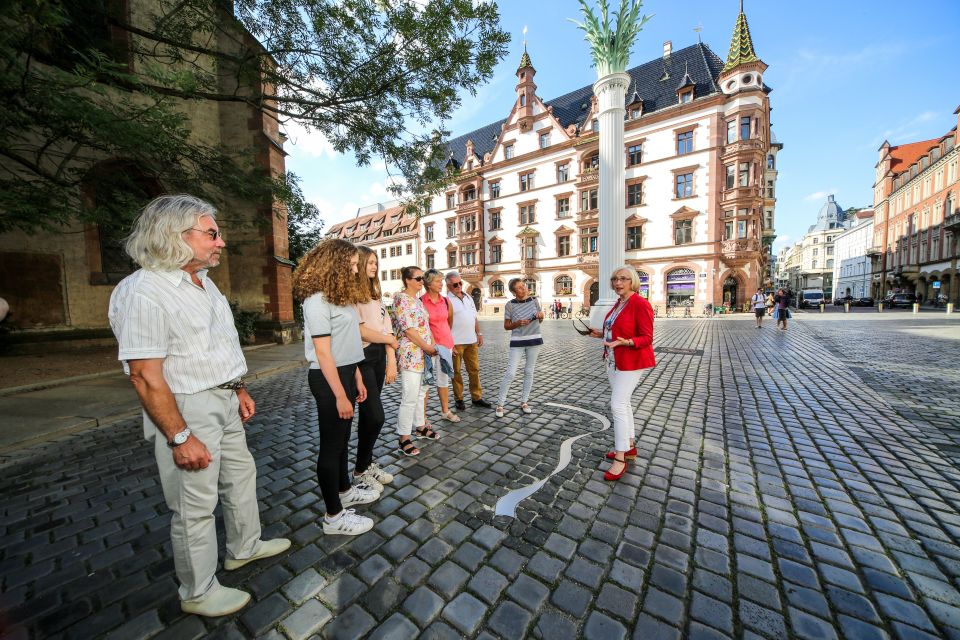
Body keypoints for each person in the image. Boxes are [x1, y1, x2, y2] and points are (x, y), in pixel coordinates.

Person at [108, 195, 290, 617]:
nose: (220, 242)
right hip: (186, 405)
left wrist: (239, 387)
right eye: (212, 233)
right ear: (176, 236)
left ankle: (244, 546)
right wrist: (179, 436)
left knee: (241, 476)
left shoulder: (204, 283)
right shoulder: (144, 291)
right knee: (194, 504)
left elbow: (217, 346)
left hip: (223, 397)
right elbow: (145, 376)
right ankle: (198, 591)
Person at [295, 239, 380, 537]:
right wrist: (340, 394)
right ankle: (333, 516)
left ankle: (344, 490)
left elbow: (347, 344)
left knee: (343, 441)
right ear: (335, 263)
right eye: (353, 264)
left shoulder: (338, 297)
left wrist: (356, 374)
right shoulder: (316, 300)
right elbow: (324, 353)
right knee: (331, 448)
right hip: (328, 378)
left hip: (345, 373)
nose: (356, 269)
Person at [586, 266, 655, 481]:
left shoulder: (640, 304)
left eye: (623, 279)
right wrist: (601, 334)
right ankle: (630, 446)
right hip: (613, 359)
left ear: (632, 281)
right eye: (615, 279)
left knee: (617, 405)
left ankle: (620, 457)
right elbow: (615, 329)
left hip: (632, 361)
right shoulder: (619, 303)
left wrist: (627, 342)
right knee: (624, 404)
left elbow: (647, 337)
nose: (618, 283)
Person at [353, 246, 397, 492]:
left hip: (379, 355)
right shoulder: (351, 294)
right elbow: (360, 330)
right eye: (369, 262)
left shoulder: (375, 293)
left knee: (369, 417)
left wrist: (391, 358)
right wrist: (389, 341)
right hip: (362, 357)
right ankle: (360, 468)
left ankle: (365, 464)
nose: (374, 266)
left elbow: (386, 326)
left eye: (375, 262)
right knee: (376, 416)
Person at [393, 266, 439, 456]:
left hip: (425, 353)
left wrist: (433, 345)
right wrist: (427, 346)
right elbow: (408, 330)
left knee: (422, 392)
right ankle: (404, 437)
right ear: (407, 280)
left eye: (423, 278)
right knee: (410, 396)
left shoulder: (417, 301)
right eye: (419, 278)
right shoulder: (401, 299)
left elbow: (425, 326)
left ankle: (420, 426)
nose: (422, 281)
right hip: (411, 353)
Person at [495, 278, 544, 418]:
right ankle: (500, 404)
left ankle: (524, 401)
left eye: (524, 286)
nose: (524, 289)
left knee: (529, 371)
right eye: (520, 288)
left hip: (534, 339)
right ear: (513, 292)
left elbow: (540, 319)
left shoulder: (534, 300)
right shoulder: (510, 305)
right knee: (510, 373)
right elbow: (506, 326)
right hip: (517, 341)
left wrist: (541, 315)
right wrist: (517, 323)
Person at [446, 270, 491, 411]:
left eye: (460, 283)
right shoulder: (446, 301)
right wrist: (449, 343)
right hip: (455, 342)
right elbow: (444, 324)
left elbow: (474, 317)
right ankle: (459, 399)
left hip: (471, 340)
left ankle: (476, 397)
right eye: (455, 284)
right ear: (448, 286)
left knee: (474, 370)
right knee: (457, 372)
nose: (459, 286)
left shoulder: (468, 297)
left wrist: (479, 333)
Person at [420, 269, 459, 423]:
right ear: (428, 284)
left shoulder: (445, 301)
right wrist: (430, 345)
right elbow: (421, 326)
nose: (441, 284)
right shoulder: (421, 302)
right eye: (438, 281)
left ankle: (445, 411)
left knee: (444, 380)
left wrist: (451, 344)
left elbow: (449, 321)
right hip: (429, 348)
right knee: (427, 382)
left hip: (446, 345)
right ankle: (422, 417)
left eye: (441, 280)